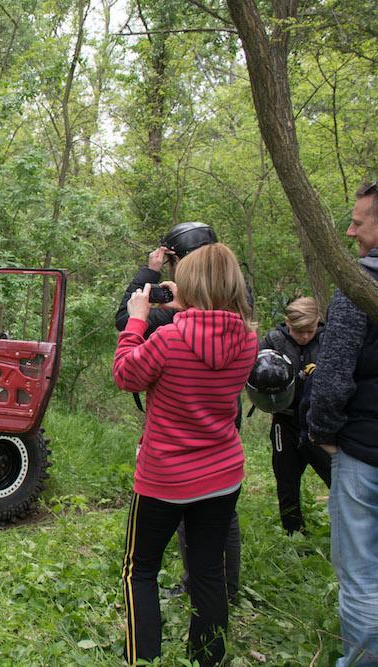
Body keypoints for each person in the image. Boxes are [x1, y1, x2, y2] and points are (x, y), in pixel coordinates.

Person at [114, 243, 258, 666]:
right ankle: (207, 658)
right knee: (208, 570)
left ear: (190, 285)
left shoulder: (170, 337)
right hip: (222, 473)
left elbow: (126, 374)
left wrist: (138, 320)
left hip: (165, 478)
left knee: (139, 570)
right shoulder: (249, 339)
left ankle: (144, 659)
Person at [306, 179, 378, 666]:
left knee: (362, 574)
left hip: (365, 452)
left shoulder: (360, 285)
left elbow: (331, 381)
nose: (350, 230)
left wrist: (323, 435)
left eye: (358, 220)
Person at [259, 297, 330, 534]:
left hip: (318, 422)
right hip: (285, 419)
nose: (304, 336)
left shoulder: (328, 340)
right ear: (287, 322)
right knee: (286, 479)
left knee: (336, 475)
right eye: (298, 331)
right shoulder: (274, 341)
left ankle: (346, 527)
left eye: (309, 330)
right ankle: (293, 532)